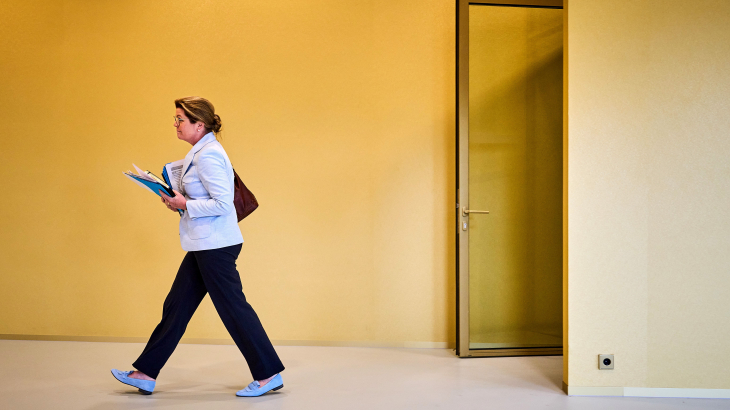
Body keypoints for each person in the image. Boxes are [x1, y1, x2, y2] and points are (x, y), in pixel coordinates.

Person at [111, 96, 284, 397]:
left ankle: (268, 374)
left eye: (181, 119)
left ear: (199, 124)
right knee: (177, 307)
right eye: (175, 119)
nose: (176, 124)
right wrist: (178, 202)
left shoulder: (208, 155)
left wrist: (185, 204)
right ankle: (145, 373)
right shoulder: (200, 151)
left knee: (233, 309)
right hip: (205, 243)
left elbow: (222, 203)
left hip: (216, 246)